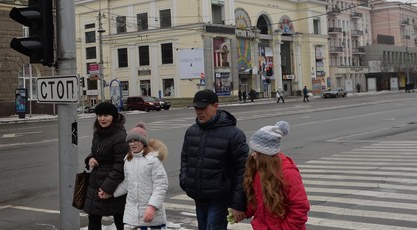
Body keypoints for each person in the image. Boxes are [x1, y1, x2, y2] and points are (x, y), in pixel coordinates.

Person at [180, 90, 249, 229]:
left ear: (215, 106)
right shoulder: (191, 132)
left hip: (220, 197)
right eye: (196, 108)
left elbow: (242, 171)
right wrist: (185, 181)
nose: (198, 112)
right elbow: (185, 160)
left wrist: (238, 204)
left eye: (203, 108)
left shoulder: (234, 135)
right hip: (198, 196)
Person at [244, 121, 310, 229]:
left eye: (257, 151)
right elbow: (258, 202)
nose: (253, 154)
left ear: (267, 154)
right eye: (253, 150)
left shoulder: (288, 173)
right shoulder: (259, 169)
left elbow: (300, 208)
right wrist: (244, 212)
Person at [113, 122, 168, 229]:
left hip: (150, 214)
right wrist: (111, 193)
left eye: (136, 140)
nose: (132, 144)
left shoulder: (153, 160)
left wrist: (152, 207)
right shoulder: (128, 160)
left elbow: (161, 186)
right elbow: (127, 183)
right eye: (130, 141)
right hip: (131, 214)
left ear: (143, 142)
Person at [84, 101, 128, 230]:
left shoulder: (120, 136)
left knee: (120, 219)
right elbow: (95, 152)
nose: (102, 119)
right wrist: (90, 159)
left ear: (113, 117)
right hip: (95, 183)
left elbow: (121, 164)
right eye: (99, 115)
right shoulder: (98, 133)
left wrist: (107, 188)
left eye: (106, 115)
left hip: (113, 185)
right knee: (93, 219)